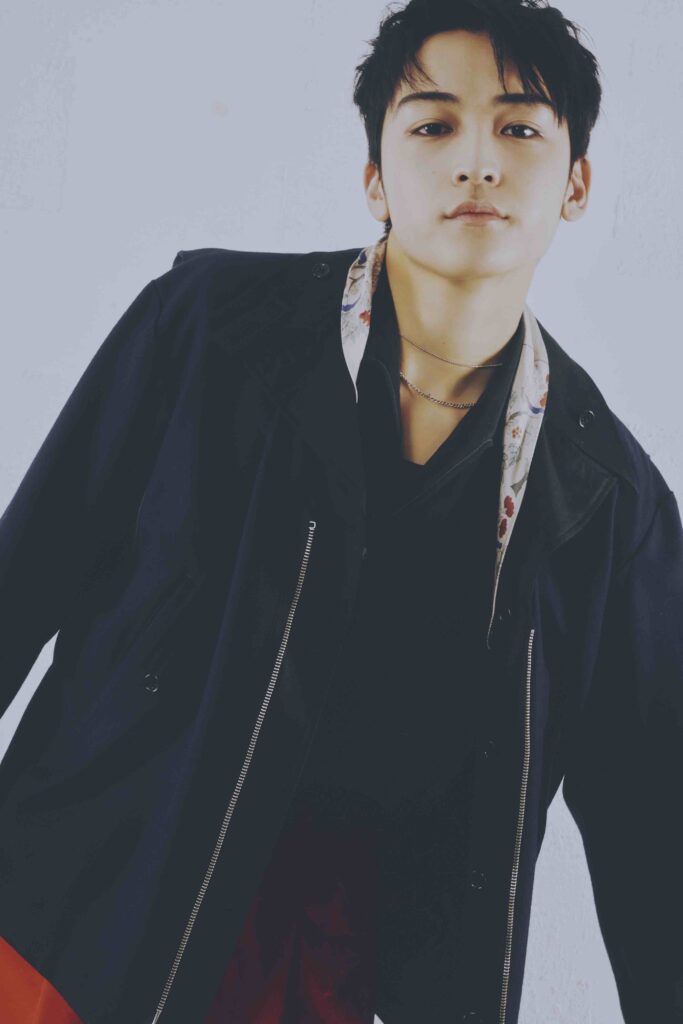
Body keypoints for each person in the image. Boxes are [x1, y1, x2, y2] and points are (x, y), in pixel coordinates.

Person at [0, 1, 681, 1023]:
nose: (476, 162)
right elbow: (25, 577)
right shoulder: (207, 332)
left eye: (518, 128)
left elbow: (651, 840)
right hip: (80, 929)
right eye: (433, 124)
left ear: (575, 182)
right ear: (374, 177)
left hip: (328, 981)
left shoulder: (607, 504)